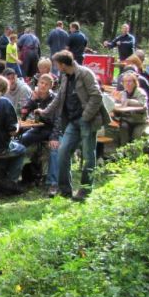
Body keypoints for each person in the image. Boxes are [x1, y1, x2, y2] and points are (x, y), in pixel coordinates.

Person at [36, 50, 110, 201]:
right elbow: (59, 97)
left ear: (63, 64)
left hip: (87, 121)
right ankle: (65, 190)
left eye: (57, 65)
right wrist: (45, 112)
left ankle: (85, 190)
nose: (56, 67)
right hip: (72, 121)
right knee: (62, 153)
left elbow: (97, 96)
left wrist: (86, 116)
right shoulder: (64, 76)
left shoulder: (85, 74)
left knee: (88, 156)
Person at [18, 73, 60, 196]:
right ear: (38, 83)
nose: (43, 86)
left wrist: (54, 138)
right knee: (20, 141)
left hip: (53, 130)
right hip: (39, 129)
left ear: (51, 86)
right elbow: (23, 114)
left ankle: (52, 183)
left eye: (46, 84)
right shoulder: (36, 97)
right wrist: (32, 100)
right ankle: (13, 176)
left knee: (54, 149)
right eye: (41, 83)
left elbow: (58, 121)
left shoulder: (54, 99)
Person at [112, 73, 149, 146]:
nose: (127, 83)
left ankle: (134, 152)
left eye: (130, 81)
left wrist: (128, 101)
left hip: (140, 121)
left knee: (135, 138)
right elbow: (117, 108)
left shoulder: (140, 92)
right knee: (123, 129)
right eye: (125, 81)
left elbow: (142, 105)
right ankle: (123, 150)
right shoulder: (122, 94)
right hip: (126, 120)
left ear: (135, 83)